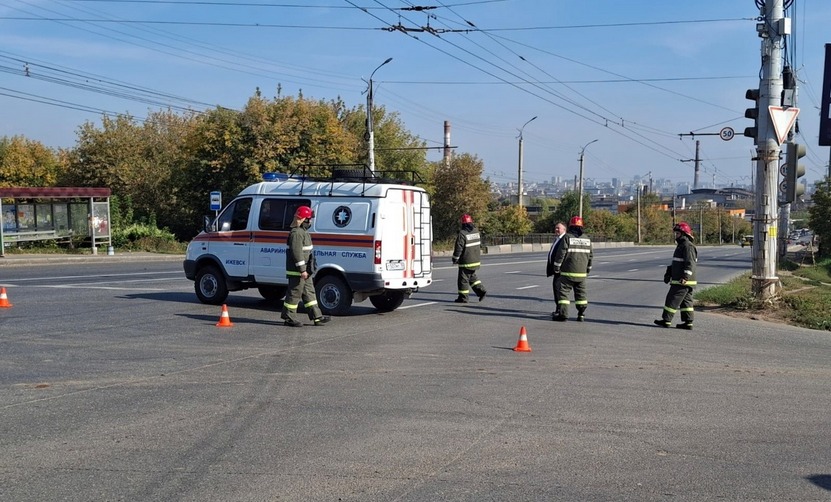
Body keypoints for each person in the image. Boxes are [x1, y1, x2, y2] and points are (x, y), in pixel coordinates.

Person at [281, 206, 331, 327]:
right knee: (294, 294)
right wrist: (302, 270)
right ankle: (289, 318)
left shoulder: (303, 232)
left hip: (305, 271)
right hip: (297, 271)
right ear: (304, 219)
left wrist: (307, 269)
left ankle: (317, 317)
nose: (311, 221)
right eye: (309, 219)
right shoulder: (297, 233)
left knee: (309, 293)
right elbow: (297, 253)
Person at [654, 222, 698, 330]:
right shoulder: (681, 246)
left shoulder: (688, 246)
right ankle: (688, 323)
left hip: (682, 281)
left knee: (672, 300)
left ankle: (666, 320)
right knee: (686, 302)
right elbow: (676, 263)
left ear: (684, 234)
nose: (676, 236)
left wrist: (685, 277)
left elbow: (690, 263)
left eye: (678, 233)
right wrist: (668, 273)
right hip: (683, 280)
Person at [550, 216, 593, 322]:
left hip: (567, 273)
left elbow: (561, 254)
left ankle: (563, 315)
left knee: (563, 293)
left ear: (571, 226)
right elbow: (590, 256)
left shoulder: (567, 238)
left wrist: (556, 267)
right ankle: (581, 314)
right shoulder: (587, 239)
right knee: (581, 295)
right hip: (581, 274)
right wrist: (587, 269)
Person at [451, 214, 487, 303]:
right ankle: (481, 291)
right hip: (475, 260)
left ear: (463, 223)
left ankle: (463, 298)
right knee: (472, 277)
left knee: (463, 280)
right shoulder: (476, 232)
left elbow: (459, 247)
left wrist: (455, 258)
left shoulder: (462, 234)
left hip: (466, 261)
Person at [545, 222, 567, 318]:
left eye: (558, 228)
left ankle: (560, 310)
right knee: (556, 289)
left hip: (560, 270)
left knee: (558, 290)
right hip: (556, 269)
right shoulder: (558, 239)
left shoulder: (564, 239)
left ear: (564, 229)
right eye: (556, 228)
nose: (556, 230)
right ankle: (559, 309)